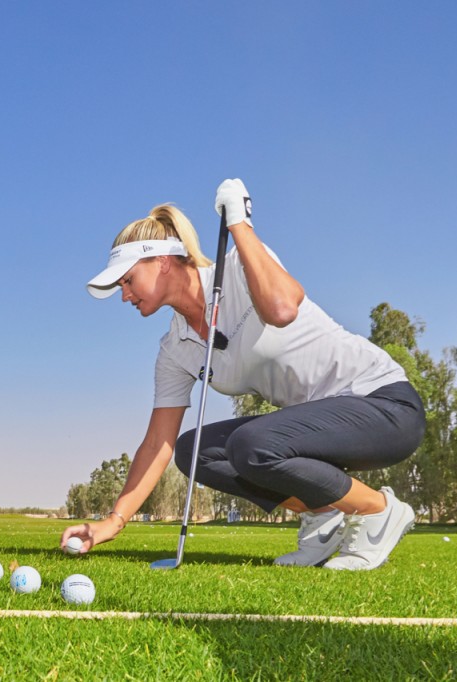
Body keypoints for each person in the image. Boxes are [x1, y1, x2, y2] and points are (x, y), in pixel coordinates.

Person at [62, 178, 426, 570]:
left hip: (384, 406)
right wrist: (114, 521)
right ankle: (322, 512)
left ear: (162, 261)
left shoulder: (239, 267)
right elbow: (157, 444)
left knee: (251, 444)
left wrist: (239, 223)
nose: (124, 295)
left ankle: (378, 510)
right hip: (319, 434)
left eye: (127, 280)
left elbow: (283, 309)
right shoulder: (175, 348)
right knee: (195, 449)